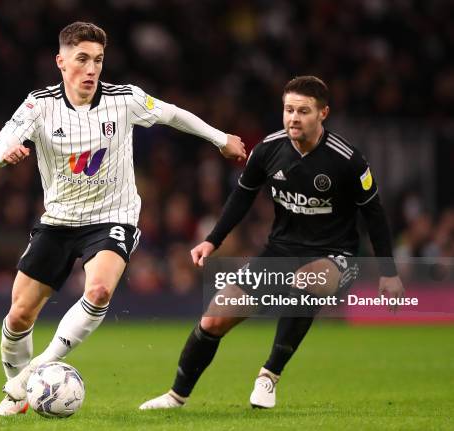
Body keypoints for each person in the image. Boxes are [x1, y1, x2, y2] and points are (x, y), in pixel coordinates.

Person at [0, 21, 246, 416]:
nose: (91, 69)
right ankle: (19, 398)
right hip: (58, 220)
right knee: (19, 314)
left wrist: (220, 138)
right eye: (82, 60)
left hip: (112, 217)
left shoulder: (125, 100)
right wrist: (6, 154)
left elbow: (173, 114)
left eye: (98, 60)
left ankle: (32, 375)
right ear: (61, 62)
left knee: (100, 291)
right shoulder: (39, 105)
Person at [139, 76, 405, 411]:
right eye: (289, 109)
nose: (294, 117)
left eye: (303, 111)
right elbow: (241, 198)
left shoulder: (347, 160)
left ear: (323, 113)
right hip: (280, 252)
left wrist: (388, 272)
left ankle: (269, 376)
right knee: (213, 320)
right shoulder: (268, 150)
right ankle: (176, 397)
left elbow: (375, 215)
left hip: (335, 255)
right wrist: (212, 241)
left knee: (308, 281)